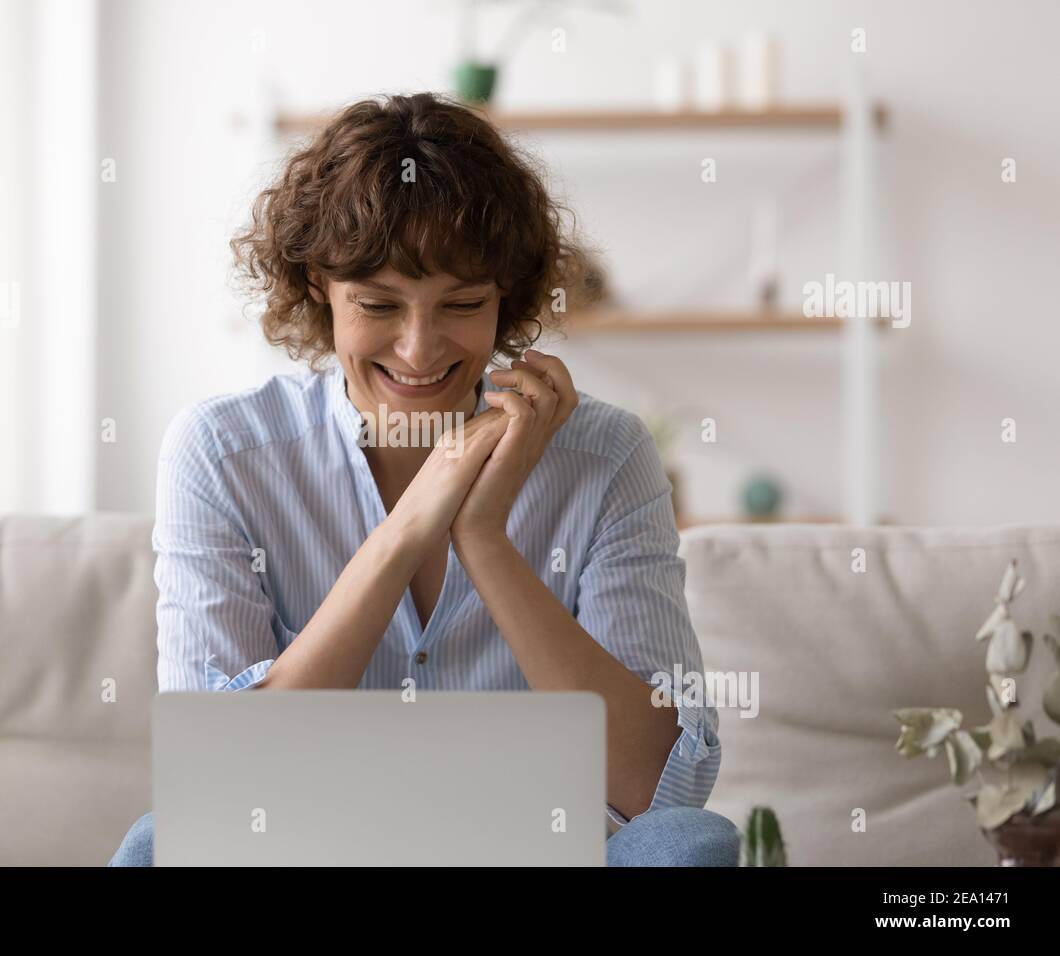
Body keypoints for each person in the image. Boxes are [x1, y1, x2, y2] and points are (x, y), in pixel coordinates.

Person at [109, 92, 739, 867]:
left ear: (504, 297)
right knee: (158, 842)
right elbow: (218, 782)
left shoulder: (603, 457)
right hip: (310, 854)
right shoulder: (223, 453)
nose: (418, 350)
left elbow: (659, 793)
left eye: (462, 305)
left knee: (691, 846)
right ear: (318, 288)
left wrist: (483, 538)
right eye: (378, 304)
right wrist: (408, 530)